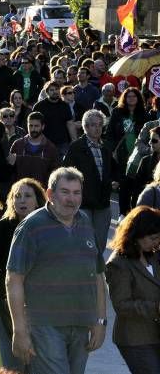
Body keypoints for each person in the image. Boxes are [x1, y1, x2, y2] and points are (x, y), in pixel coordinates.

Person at [6, 167, 108, 374]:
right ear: (50, 194)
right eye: (65, 192)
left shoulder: (86, 223)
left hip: (81, 324)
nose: (71, 199)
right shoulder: (31, 227)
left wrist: (100, 321)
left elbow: (98, 275)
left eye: (76, 192)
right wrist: (20, 330)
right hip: (45, 327)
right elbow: (13, 279)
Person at [0, 179, 47, 373]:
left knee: (40, 365)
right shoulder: (2, 227)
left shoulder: (47, 228)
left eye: (27, 196)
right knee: (13, 367)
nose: (22, 200)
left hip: (41, 308)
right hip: (4, 306)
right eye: (17, 196)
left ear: (38, 201)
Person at [104, 206, 160, 374]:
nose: (157, 242)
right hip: (135, 338)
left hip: (155, 333)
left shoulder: (153, 255)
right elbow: (122, 305)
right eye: (153, 238)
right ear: (137, 235)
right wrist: (155, 307)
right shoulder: (118, 264)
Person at [62, 109, 118, 256]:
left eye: (100, 125)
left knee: (99, 244)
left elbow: (114, 169)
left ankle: (98, 274)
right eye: (93, 125)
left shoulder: (106, 146)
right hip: (82, 203)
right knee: (82, 242)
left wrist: (115, 181)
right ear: (85, 127)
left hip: (102, 203)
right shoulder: (76, 147)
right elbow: (65, 173)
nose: (97, 128)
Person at [108, 87, 148, 219]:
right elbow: (110, 133)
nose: (131, 98)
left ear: (138, 98)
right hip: (122, 153)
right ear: (124, 98)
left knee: (137, 184)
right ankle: (122, 213)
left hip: (138, 154)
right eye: (128, 96)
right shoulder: (117, 112)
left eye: (134, 96)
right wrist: (112, 149)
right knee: (124, 183)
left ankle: (134, 213)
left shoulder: (144, 114)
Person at [9, 111, 59, 187]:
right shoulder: (17, 145)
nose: (33, 129)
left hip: (41, 193)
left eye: (36, 126)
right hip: (20, 192)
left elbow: (54, 175)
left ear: (43, 126)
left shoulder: (50, 148)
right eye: (30, 126)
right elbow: (10, 171)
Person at [33, 81, 76, 156]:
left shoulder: (65, 106)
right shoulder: (39, 106)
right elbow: (33, 124)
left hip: (62, 143)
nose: (55, 92)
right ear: (47, 92)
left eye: (56, 89)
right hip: (44, 142)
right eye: (51, 90)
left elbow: (70, 124)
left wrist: (74, 140)